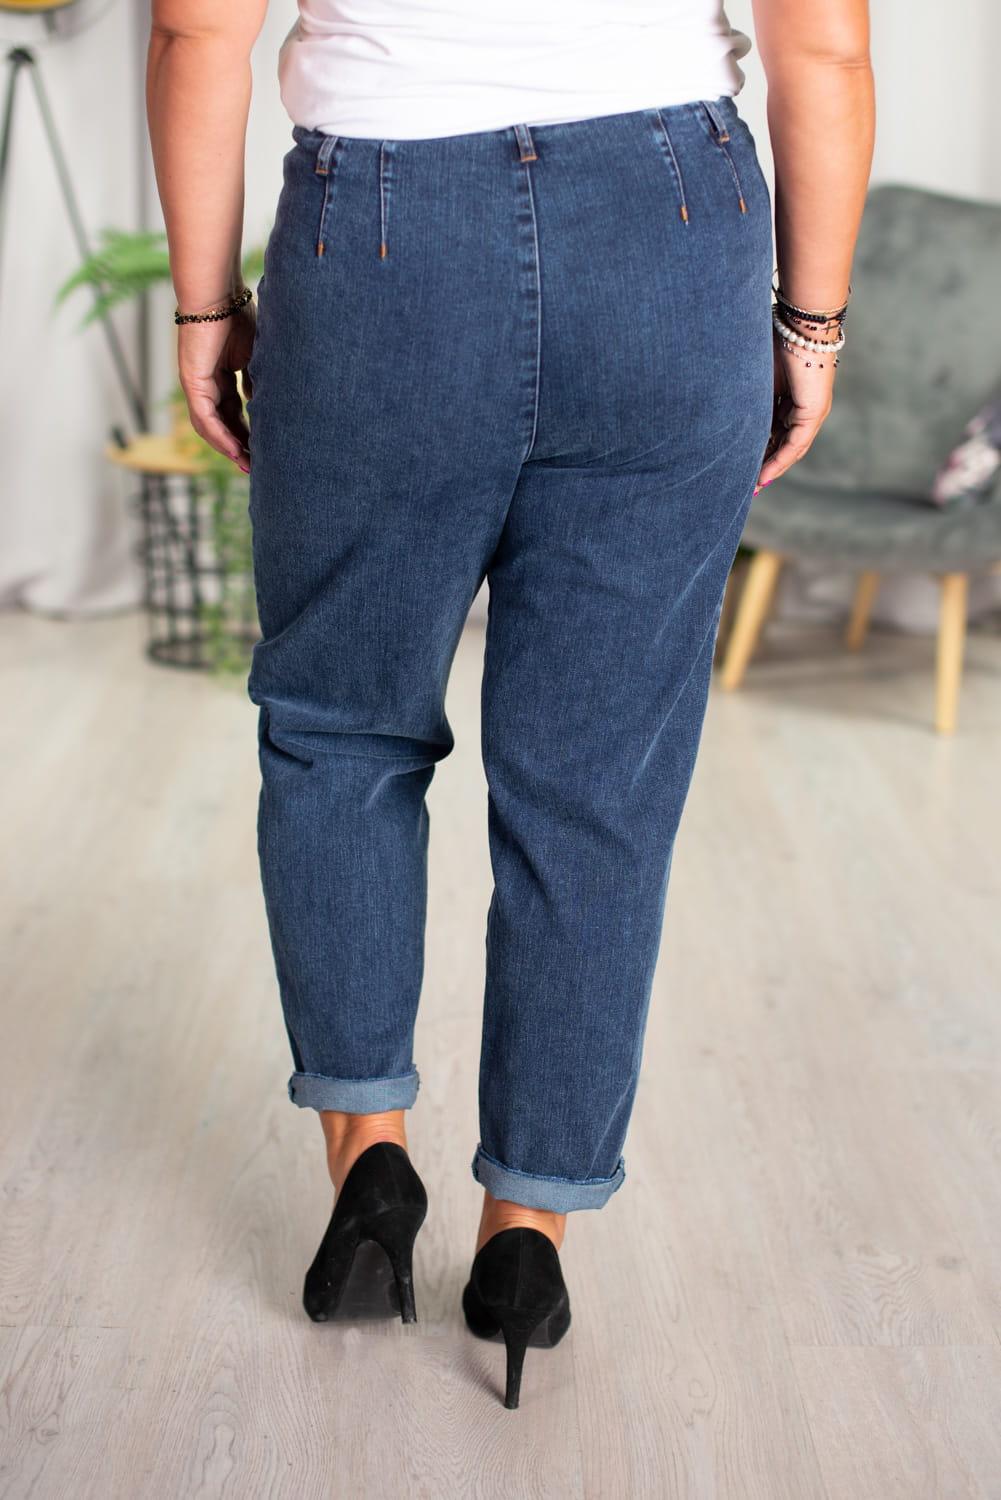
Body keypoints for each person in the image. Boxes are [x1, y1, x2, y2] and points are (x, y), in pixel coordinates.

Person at [148, 0, 874, 1409]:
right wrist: (813, 321)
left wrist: (200, 306)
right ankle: (526, 1236)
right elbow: (827, 50)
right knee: (597, 784)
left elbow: (194, 33)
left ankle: (368, 1166)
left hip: (379, 239)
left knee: (342, 729)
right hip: (668, 230)